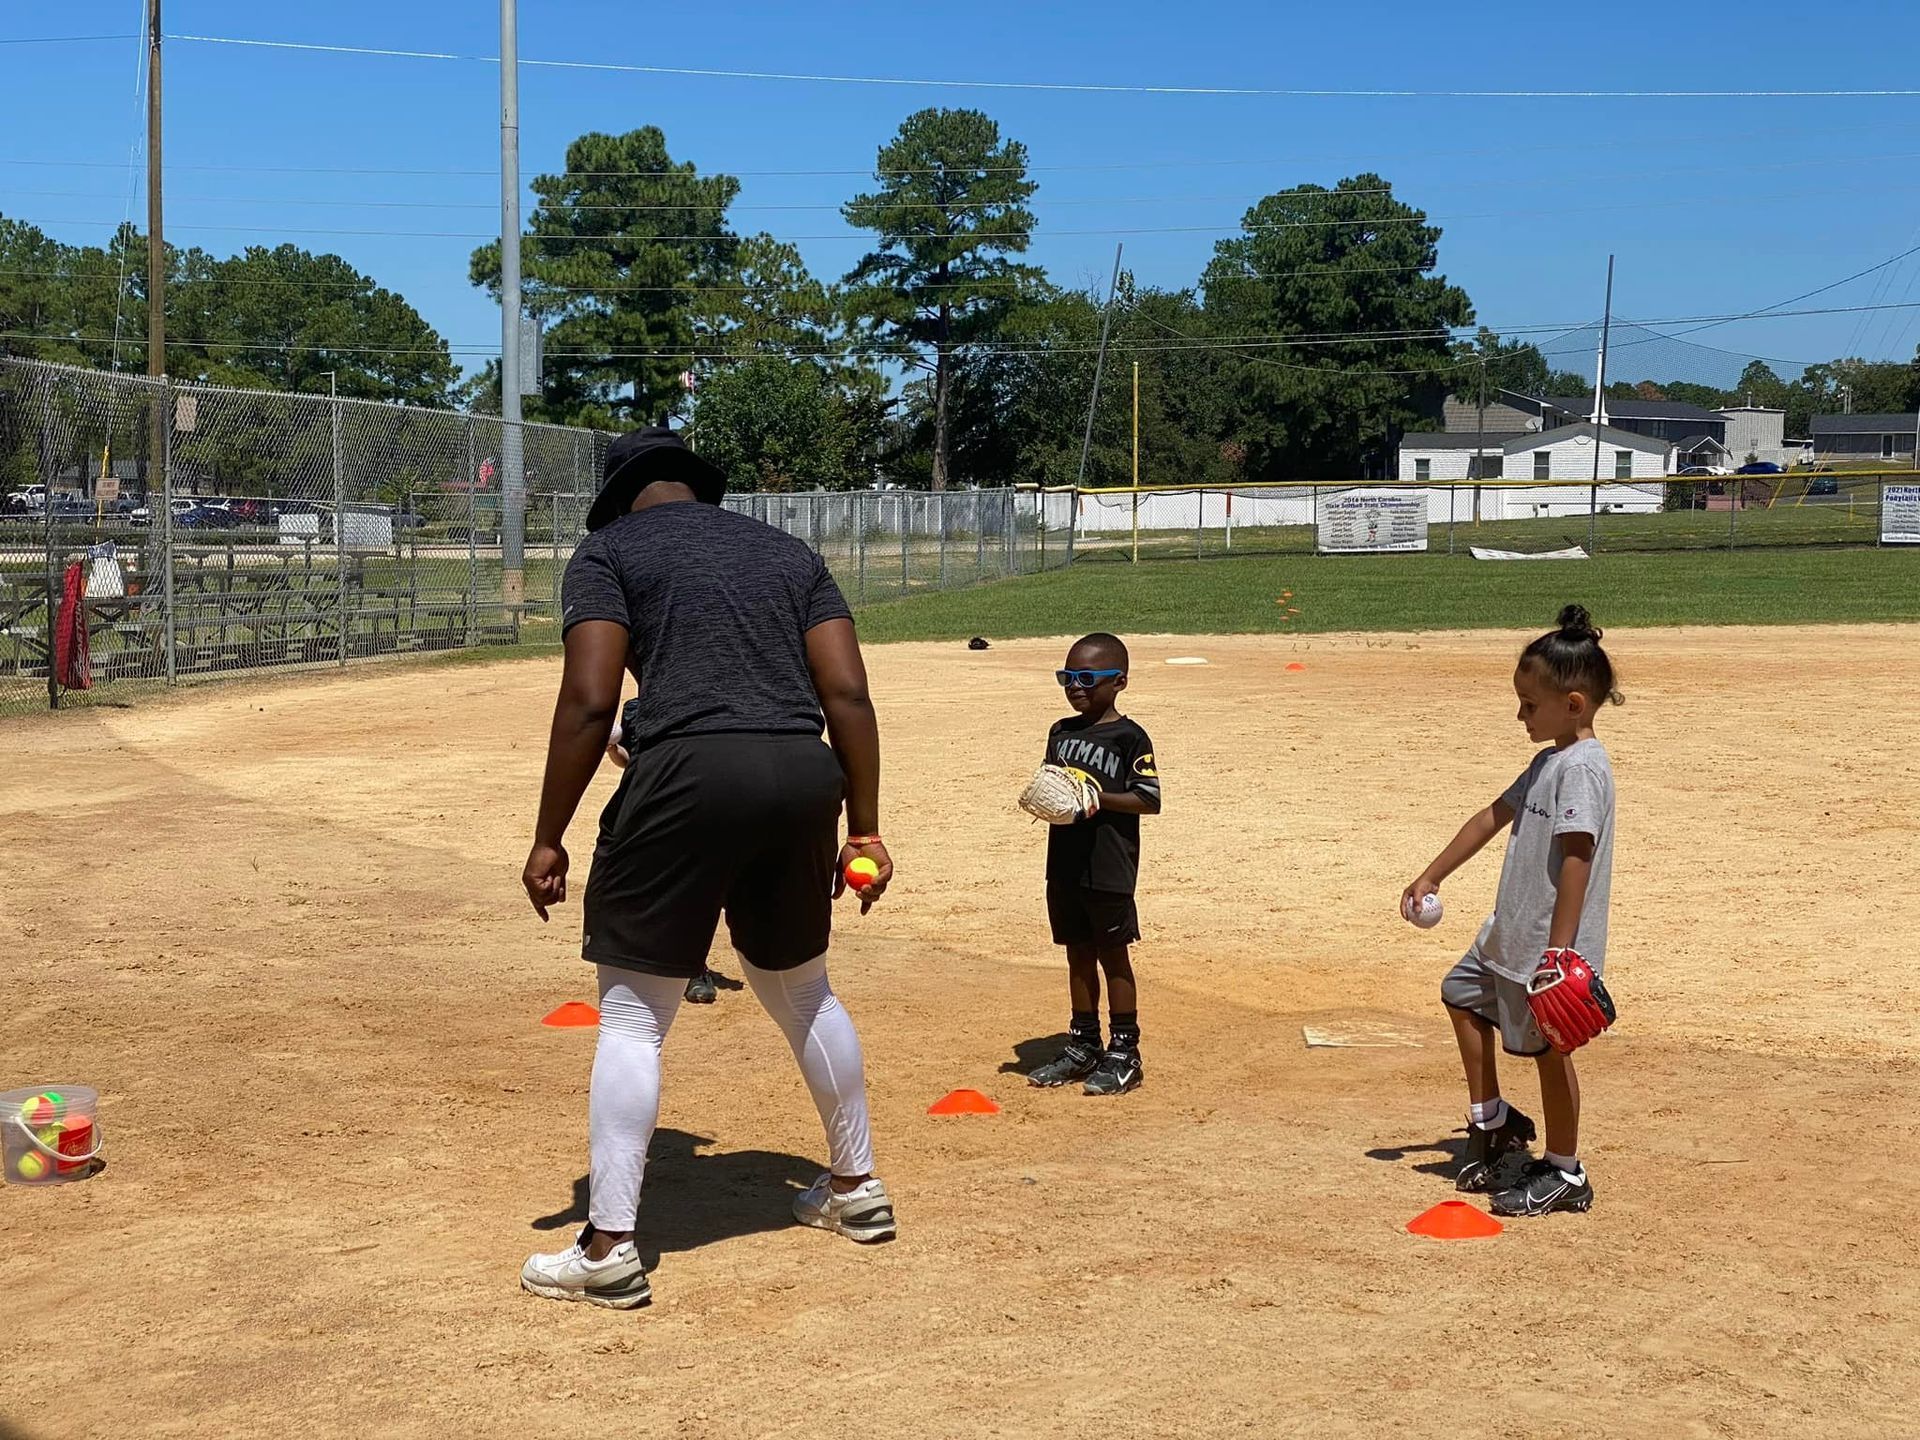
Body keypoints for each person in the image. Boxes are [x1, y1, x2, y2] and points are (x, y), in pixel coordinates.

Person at [518, 425, 897, 1309]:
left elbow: (589, 699)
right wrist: (865, 829)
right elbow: (846, 692)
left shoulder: (606, 552)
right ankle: (856, 1188)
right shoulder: (787, 550)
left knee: (632, 1016)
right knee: (804, 988)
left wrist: (548, 834)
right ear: (699, 487)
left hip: (689, 775)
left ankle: (609, 1246)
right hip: (806, 774)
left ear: (617, 499)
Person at [1403, 605, 1621, 1217]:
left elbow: (1577, 857)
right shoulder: (1548, 761)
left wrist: (1561, 951)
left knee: (1551, 1054)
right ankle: (1493, 1121)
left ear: (1573, 704)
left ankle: (1564, 1171)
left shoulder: (1583, 769)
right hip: (1507, 936)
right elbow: (1491, 817)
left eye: (1530, 704)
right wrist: (1431, 873)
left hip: (1546, 950)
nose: (1520, 714)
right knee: (1460, 994)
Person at [1026, 633, 1162, 1096]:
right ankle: (1083, 1043)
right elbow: (1054, 787)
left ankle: (1125, 1051)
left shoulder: (1130, 736)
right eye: (1067, 678)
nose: (1074, 687)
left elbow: (1149, 798)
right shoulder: (1060, 732)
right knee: (1076, 954)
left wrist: (1095, 798)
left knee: (1113, 956)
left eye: (1086, 678)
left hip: (1109, 866)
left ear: (1119, 681)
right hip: (1063, 863)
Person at [605, 698, 722, 1006]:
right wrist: (612, 749)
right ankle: (650, 963)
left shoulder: (700, 704)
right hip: (646, 806)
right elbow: (632, 760)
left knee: (693, 887)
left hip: (693, 803)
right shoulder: (634, 709)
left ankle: (696, 968)